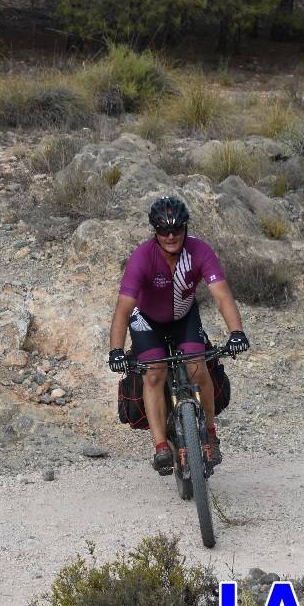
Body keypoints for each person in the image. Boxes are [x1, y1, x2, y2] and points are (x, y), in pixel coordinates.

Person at [107, 196, 249, 474]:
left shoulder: (199, 252)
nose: (171, 236)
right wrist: (115, 350)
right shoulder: (142, 258)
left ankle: (209, 434)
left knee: (197, 368)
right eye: (163, 230)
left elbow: (222, 295)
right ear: (155, 232)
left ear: (185, 227)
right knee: (154, 372)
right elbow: (123, 308)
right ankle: (161, 447)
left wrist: (237, 332)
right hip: (146, 318)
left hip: (183, 315)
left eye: (177, 229)